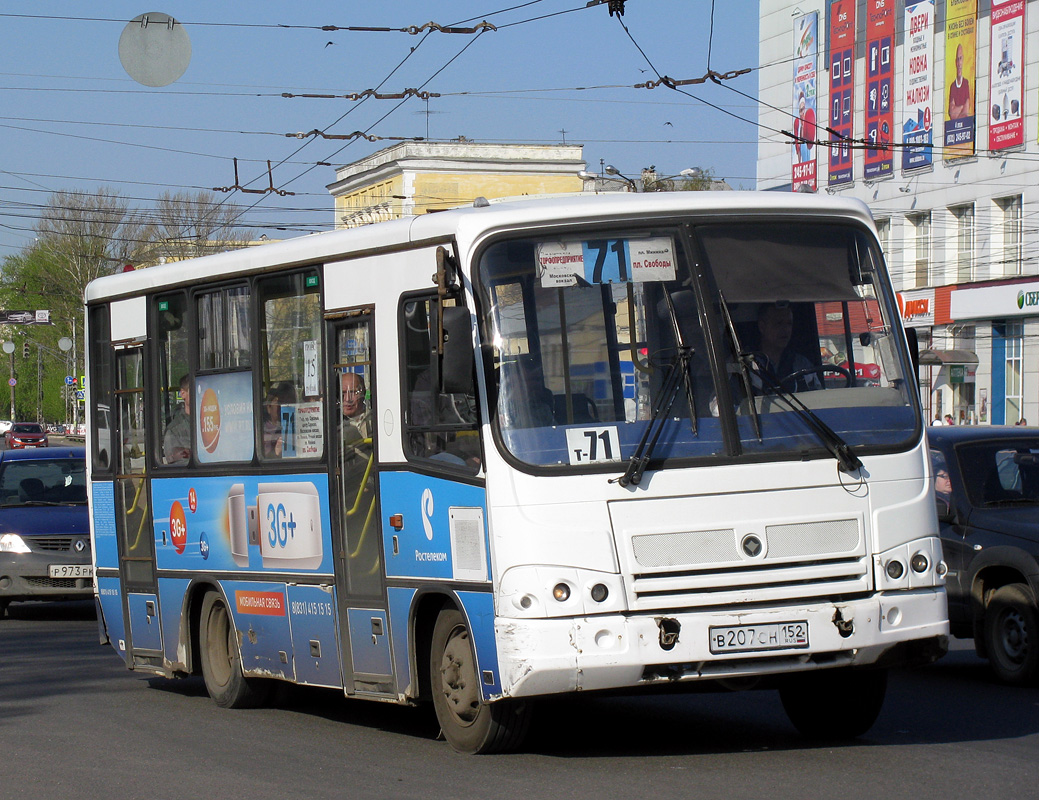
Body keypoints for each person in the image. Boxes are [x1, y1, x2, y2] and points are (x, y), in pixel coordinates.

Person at [752, 302, 822, 393]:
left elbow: (818, 398)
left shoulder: (802, 364)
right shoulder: (747, 366)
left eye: (789, 324)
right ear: (762, 327)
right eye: (778, 323)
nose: (785, 329)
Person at [498, 355, 556, 429]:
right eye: (528, 380)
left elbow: (554, 434)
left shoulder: (543, 410)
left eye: (537, 379)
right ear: (511, 385)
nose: (535, 384)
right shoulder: (500, 412)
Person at [162, 375, 191, 465]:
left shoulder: (216, 422)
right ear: (183, 394)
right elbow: (177, 464)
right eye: (196, 390)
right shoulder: (174, 430)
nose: (202, 395)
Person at [341, 372, 371, 445]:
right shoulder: (333, 424)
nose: (348, 399)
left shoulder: (374, 420)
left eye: (353, 392)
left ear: (363, 394)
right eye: (343, 393)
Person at [948, 44, 972, 120]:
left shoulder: (965, 83)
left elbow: (966, 112)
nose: (959, 62)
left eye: (960, 58)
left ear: (963, 60)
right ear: (955, 62)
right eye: (958, 59)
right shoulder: (952, 86)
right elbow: (952, 115)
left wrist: (957, 109)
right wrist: (962, 106)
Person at [793, 91, 816, 162]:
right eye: (800, 110)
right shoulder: (797, 122)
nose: (802, 112)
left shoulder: (808, 119)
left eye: (803, 109)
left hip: (807, 148)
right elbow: (796, 141)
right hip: (801, 149)